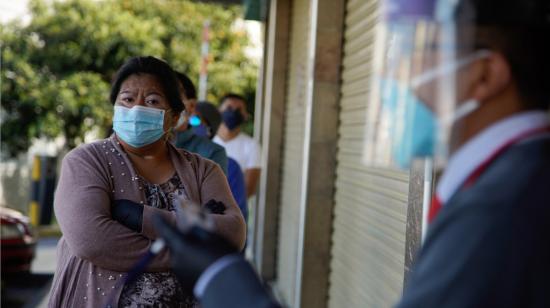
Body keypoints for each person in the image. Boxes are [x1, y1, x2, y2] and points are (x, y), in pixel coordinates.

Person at [153, 0, 550, 307]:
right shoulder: (510, 180)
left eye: (419, 51)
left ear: (485, 75)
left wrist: (221, 277)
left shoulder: (502, 206)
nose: (397, 76)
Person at [48, 56, 246, 308]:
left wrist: (142, 217)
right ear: (115, 107)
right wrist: (188, 253)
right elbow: (93, 241)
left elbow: (233, 233)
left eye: (152, 101)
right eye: (128, 99)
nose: (137, 109)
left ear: (174, 117)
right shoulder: (87, 161)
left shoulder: (203, 170)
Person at [195, 101, 248, 223]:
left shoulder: (230, 166)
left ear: (209, 129)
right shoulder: (165, 157)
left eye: (195, 120)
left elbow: (236, 217)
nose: (187, 123)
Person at [173, 72, 228, 175]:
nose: (164, 105)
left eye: (197, 121)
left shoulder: (212, 153)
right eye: (153, 100)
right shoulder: (139, 146)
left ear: (192, 105)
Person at [214, 94, 261, 198]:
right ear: (218, 111)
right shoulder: (207, 142)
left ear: (245, 115)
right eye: (229, 107)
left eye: (239, 109)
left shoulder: (252, 146)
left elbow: (249, 189)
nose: (234, 112)